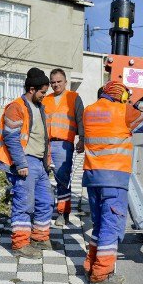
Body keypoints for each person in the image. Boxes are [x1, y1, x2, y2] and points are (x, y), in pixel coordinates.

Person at [83, 81, 143, 284]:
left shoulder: (90, 111)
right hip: (114, 179)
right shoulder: (123, 111)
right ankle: (101, 274)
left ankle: (91, 264)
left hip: (92, 179)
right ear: (122, 97)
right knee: (112, 225)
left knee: (99, 224)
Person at [0, 68, 53, 259]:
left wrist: (47, 163)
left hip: (39, 164)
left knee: (46, 201)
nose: (45, 96)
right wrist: (21, 164)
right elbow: (11, 138)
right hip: (26, 161)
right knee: (24, 203)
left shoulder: (40, 108)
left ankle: (39, 237)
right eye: (43, 92)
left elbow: (43, 138)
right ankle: (20, 244)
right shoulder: (16, 107)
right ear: (32, 89)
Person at [43, 68, 84, 227]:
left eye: (59, 81)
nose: (55, 85)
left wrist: (82, 139)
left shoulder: (74, 98)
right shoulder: (46, 99)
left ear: (66, 82)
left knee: (62, 179)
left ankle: (63, 213)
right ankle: (45, 210)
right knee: (42, 179)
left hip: (64, 144)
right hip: (45, 144)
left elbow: (81, 119)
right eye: (53, 82)